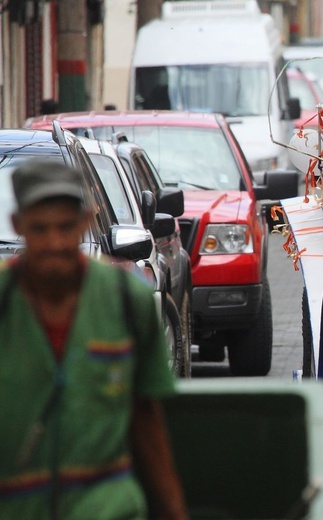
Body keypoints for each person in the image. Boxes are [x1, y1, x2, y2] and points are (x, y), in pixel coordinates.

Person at [0, 160, 188, 519]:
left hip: (107, 507)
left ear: (85, 222)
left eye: (66, 228)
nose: (55, 243)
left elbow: (147, 421)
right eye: (40, 230)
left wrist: (174, 512)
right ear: (18, 226)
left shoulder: (125, 300)